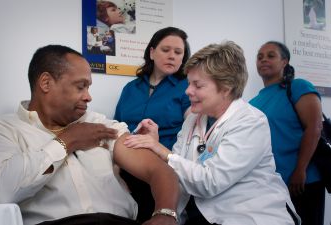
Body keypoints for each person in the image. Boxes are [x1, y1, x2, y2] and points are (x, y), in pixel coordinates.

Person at [0, 45, 180, 225]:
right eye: (80, 86)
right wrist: (67, 141)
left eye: (88, 87)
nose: (88, 96)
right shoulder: (2, 130)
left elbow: (158, 170)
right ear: (46, 83)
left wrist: (165, 212)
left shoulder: (98, 124)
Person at [122, 41, 300, 225]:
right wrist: (155, 145)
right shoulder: (193, 119)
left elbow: (210, 182)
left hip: (251, 215)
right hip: (201, 214)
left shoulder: (251, 121)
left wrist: (160, 150)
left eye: (197, 85)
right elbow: (176, 171)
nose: (188, 91)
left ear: (226, 87)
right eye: (189, 83)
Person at [113, 26, 191, 222]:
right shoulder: (131, 88)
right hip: (128, 167)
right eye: (166, 50)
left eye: (178, 52)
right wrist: (115, 169)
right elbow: (117, 129)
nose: (172, 56)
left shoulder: (188, 88)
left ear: (183, 58)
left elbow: (193, 132)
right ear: (152, 52)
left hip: (167, 169)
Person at [249, 41, 324, 225]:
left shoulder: (298, 87)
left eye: (270, 55)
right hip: (270, 185)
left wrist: (300, 170)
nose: (263, 59)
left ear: (285, 62)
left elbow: (314, 127)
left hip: (302, 182)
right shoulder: (253, 102)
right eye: (260, 57)